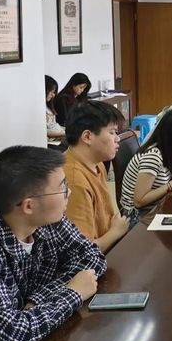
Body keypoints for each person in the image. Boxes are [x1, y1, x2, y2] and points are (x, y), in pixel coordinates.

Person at [0, 146, 105, 341]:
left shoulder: (47, 219)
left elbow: (91, 255)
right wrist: (72, 293)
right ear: (28, 206)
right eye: (63, 187)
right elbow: (10, 337)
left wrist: (37, 301)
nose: (69, 192)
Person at [63, 101, 129, 252]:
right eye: (112, 133)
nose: (117, 139)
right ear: (87, 136)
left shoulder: (97, 164)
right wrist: (116, 232)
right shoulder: (73, 180)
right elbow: (82, 251)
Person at [120, 108, 172, 217]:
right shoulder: (153, 156)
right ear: (171, 135)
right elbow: (139, 201)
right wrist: (170, 185)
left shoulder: (169, 150)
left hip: (156, 208)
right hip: (138, 216)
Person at [45, 75, 66, 140]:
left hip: (60, 135)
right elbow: (46, 132)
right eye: (51, 91)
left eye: (53, 92)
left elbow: (54, 125)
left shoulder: (48, 107)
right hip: (53, 140)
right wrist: (66, 134)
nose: (53, 95)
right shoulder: (40, 109)